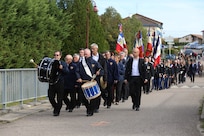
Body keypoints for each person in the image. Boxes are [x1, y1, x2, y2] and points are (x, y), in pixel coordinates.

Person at [76, 48, 104, 116]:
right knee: (83, 97)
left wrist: (99, 73)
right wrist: (79, 78)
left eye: (86, 54)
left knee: (93, 97)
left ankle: (90, 110)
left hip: (92, 82)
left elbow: (101, 70)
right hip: (83, 82)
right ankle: (88, 107)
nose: (85, 55)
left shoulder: (94, 62)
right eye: (84, 54)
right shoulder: (80, 63)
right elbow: (77, 71)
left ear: (89, 54)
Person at [48, 51, 68, 116]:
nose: (56, 56)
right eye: (55, 55)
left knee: (59, 98)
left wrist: (62, 68)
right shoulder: (51, 63)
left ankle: (57, 111)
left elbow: (67, 71)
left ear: (60, 56)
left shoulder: (63, 63)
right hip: (52, 82)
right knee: (51, 97)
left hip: (60, 82)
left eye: (57, 55)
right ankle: (56, 107)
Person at [90, 43, 107, 112]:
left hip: (99, 78)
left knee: (98, 92)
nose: (92, 50)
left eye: (93, 49)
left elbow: (104, 69)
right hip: (91, 77)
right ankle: (92, 106)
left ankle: (96, 107)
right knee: (92, 92)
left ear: (97, 49)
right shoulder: (89, 57)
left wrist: (104, 77)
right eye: (91, 49)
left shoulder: (102, 58)